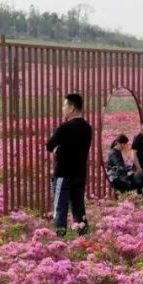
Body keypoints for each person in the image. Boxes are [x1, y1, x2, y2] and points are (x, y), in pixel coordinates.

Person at [46, 93, 93, 236]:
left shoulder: (65, 127)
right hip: (80, 174)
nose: (62, 108)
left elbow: (49, 145)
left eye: (64, 105)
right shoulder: (87, 127)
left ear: (72, 108)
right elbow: (79, 149)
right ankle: (83, 234)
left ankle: (60, 236)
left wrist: (58, 151)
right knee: (78, 207)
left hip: (63, 174)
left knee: (60, 206)